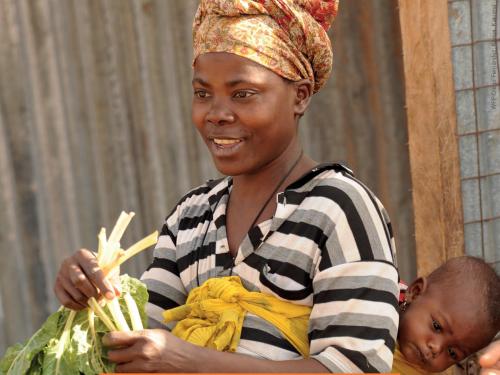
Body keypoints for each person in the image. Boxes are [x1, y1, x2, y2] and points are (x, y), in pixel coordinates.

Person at [54, 0, 400, 373]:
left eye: (242, 94)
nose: (216, 114)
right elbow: (141, 345)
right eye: (203, 93)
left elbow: (357, 367)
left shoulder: (340, 209)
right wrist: (94, 296)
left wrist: (193, 362)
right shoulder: (191, 217)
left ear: (300, 96)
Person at [393, 256, 500, 375]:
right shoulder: (376, 304)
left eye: (452, 353)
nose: (436, 348)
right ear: (415, 292)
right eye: (437, 326)